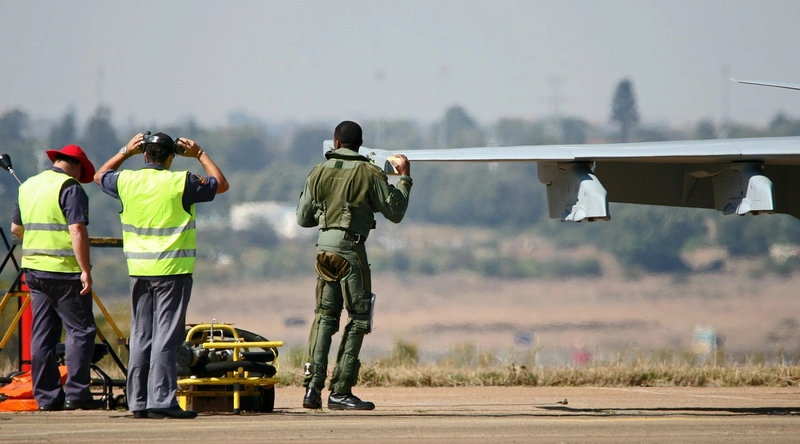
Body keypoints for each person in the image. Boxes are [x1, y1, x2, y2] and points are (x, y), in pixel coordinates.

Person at [94, 132, 229, 419]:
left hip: (138, 271)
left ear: (144, 154)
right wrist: (200, 153)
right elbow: (220, 184)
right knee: (167, 336)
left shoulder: (126, 181)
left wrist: (125, 151)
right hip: (171, 271)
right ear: (171, 158)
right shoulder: (181, 182)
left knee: (141, 335)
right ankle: (162, 400)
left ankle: (138, 401)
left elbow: (99, 175)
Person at [296, 121, 412, 410]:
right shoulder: (369, 172)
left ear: (336, 143)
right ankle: (340, 390)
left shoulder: (317, 171)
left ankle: (312, 389)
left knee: (325, 317)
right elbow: (395, 211)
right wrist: (405, 179)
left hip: (324, 251)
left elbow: (303, 218)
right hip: (350, 250)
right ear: (359, 145)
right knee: (358, 318)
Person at [10, 144, 103, 411]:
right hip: (64, 271)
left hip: (34, 270)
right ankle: (77, 393)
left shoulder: (28, 185)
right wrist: (85, 270)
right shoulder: (70, 187)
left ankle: (46, 397)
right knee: (81, 330)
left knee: (42, 334)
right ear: (76, 165)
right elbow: (77, 230)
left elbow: (16, 229)